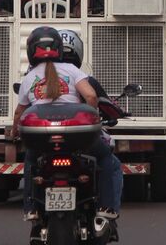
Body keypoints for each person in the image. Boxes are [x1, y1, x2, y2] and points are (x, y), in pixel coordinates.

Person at [9, 27, 122, 220]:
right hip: (76, 137)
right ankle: (107, 207)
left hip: (42, 138)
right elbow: (91, 95)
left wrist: (14, 131)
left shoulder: (29, 77)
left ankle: (31, 208)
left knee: (30, 161)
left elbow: (20, 111)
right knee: (107, 161)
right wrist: (92, 115)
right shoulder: (72, 70)